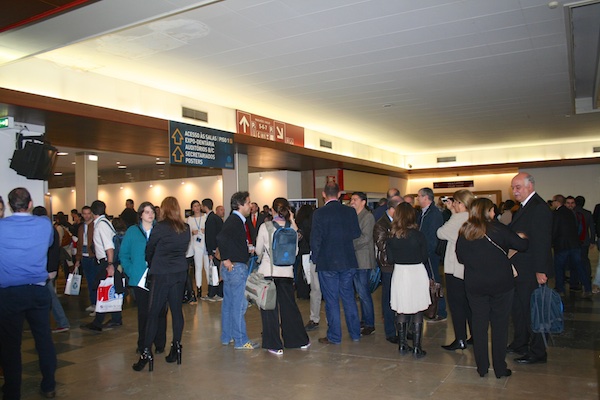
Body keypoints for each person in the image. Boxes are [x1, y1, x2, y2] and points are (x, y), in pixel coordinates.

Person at [456, 198, 528, 378]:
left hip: (475, 284)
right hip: (501, 284)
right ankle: (499, 368)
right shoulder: (499, 228)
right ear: (488, 211)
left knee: (478, 325)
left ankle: (482, 367)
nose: (494, 213)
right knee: (500, 325)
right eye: (492, 210)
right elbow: (521, 246)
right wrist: (523, 237)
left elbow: (461, 258)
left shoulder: (465, 230)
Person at [0, 187, 57, 399]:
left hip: (9, 293)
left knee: (11, 345)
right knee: (44, 339)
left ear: (8, 205)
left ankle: (12, 391)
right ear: (30, 204)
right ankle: (49, 385)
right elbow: (48, 244)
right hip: (38, 291)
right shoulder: (44, 224)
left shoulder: (1, 227)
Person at [133, 197, 190, 371]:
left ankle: (145, 353)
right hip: (179, 273)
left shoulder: (160, 227)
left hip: (162, 274)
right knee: (176, 311)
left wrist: (152, 263)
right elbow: (184, 249)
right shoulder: (185, 228)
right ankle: (176, 347)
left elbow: (149, 249)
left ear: (163, 209)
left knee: (153, 313)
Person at [507, 172, 553, 365]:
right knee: (519, 308)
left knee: (533, 310)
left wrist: (541, 270)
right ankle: (520, 342)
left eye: (518, 187)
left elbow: (542, 242)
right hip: (520, 268)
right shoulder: (524, 207)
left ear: (530, 186)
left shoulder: (539, 208)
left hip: (531, 268)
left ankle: (537, 352)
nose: (515, 191)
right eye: (513, 187)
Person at [255, 197, 310, 355]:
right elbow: (296, 252)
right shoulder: (292, 228)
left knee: (269, 309)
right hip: (286, 273)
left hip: (268, 273)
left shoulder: (265, 227)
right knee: (289, 308)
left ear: (272, 210)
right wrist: (292, 220)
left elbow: (259, 250)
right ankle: (297, 340)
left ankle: (274, 344)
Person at [311, 182, 361, 344]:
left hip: (327, 262)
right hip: (348, 260)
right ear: (339, 194)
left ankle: (335, 336)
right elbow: (356, 233)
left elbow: (316, 239)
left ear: (324, 194)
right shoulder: (350, 211)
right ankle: (355, 334)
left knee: (331, 301)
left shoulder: (319, 213)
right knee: (348, 298)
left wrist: (315, 259)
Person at [121, 202, 167, 356]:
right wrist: (131, 270)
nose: (150, 214)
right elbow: (124, 254)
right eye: (146, 212)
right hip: (140, 278)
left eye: (152, 211)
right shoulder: (132, 232)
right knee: (144, 313)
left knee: (160, 311)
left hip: (158, 276)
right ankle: (143, 343)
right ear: (140, 214)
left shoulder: (160, 229)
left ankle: (160, 343)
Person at [386, 202, 431, 358]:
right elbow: (425, 256)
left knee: (402, 308)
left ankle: (402, 345)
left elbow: (390, 259)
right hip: (417, 271)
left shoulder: (391, 236)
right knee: (418, 308)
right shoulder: (418, 235)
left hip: (400, 273)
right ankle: (417, 347)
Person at [217, 191, 257, 349]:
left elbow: (229, 240)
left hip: (232, 268)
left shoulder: (235, 220)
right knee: (238, 305)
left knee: (228, 303)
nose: (250, 206)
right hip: (236, 268)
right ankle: (241, 340)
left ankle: (227, 336)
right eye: (248, 203)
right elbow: (221, 238)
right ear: (240, 205)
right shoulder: (235, 220)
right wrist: (225, 258)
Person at [437, 190, 475, 351]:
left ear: (462, 203)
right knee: (469, 304)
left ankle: (460, 338)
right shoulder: (473, 217)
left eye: (456, 202)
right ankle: (474, 335)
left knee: (456, 305)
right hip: (469, 268)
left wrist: (452, 213)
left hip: (455, 268)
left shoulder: (460, 217)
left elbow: (441, 233)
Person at [80, 200, 124, 332]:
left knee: (103, 290)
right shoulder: (105, 223)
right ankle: (115, 319)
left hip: (106, 262)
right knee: (108, 289)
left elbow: (109, 247)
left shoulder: (101, 226)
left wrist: (110, 264)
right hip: (107, 261)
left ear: (93, 212)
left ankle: (100, 321)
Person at [32, 206, 70, 334]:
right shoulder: (50, 228)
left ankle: (62, 322)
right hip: (49, 268)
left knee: (50, 297)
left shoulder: (44, 229)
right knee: (48, 296)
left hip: (45, 269)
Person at [373, 195, 403, 343]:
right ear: (392, 209)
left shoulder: (401, 223)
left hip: (402, 266)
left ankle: (403, 328)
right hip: (388, 267)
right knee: (388, 299)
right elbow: (382, 246)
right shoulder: (381, 224)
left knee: (401, 299)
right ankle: (390, 331)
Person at [416, 187, 446, 321]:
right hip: (424, 253)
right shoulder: (423, 213)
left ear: (426, 197)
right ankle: (431, 309)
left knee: (435, 282)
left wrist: (426, 252)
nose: (418, 199)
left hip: (430, 254)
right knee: (428, 282)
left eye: (419, 196)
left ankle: (440, 311)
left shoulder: (433, 214)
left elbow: (433, 237)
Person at [349, 191, 376, 336]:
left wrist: (348, 244)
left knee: (364, 293)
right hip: (355, 260)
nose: (352, 202)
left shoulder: (368, 217)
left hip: (363, 261)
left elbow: (365, 238)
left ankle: (370, 323)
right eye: (351, 200)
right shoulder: (354, 216)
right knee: (360, 293)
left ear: (363, 202)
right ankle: (364, 319)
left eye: (354, 199)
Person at [296, 205, 321, 331]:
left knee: (314, 288)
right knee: (317, 288)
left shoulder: (303, 223)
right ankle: (317, 318)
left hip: (308, 255)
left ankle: (314, 318)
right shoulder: (314, 222)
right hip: (314, 255)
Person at [74, 206, 98, 315]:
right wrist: (78, 259)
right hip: (84, 257)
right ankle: (93, 303)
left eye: (88, 213)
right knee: (89, 281)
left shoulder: (95, 226)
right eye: (85, 213)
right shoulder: (81, 228)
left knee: (94, 281)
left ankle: (97, 304)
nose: (87, 215)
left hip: (93, 257)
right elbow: (79, 244)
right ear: (82, 214)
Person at [186, 200, 208, 301]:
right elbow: (187, 232)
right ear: (192, 208)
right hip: (196, 245)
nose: (197, 208)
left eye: (198, 206)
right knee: (198, 267)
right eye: (195, 206)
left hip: (206, 244)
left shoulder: (205, 217)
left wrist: (205, 230)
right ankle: (198, 288)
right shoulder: (189, 219)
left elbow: (210, 229)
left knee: (208, 267)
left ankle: (209, 287)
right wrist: (192, 232)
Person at [202, 198, 224, 300]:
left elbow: (210, 236)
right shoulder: (216, 218)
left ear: (204, 206)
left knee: (215, 271)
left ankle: (215, 293)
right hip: (218, 249)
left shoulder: (211, 219)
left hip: (215, 250)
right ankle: (216, 293)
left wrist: (210, 251)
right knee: (217, 271)